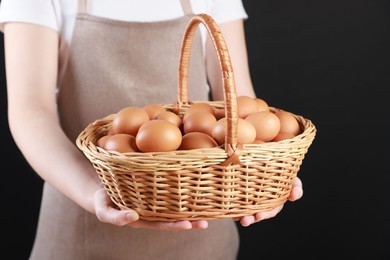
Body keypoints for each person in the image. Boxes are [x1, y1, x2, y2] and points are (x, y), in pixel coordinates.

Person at [0, 0, 303, 259]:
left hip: (202, 230)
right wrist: (94, 191)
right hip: (82, 229)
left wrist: (261, 171)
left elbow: (239, 105)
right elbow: (30, 113)